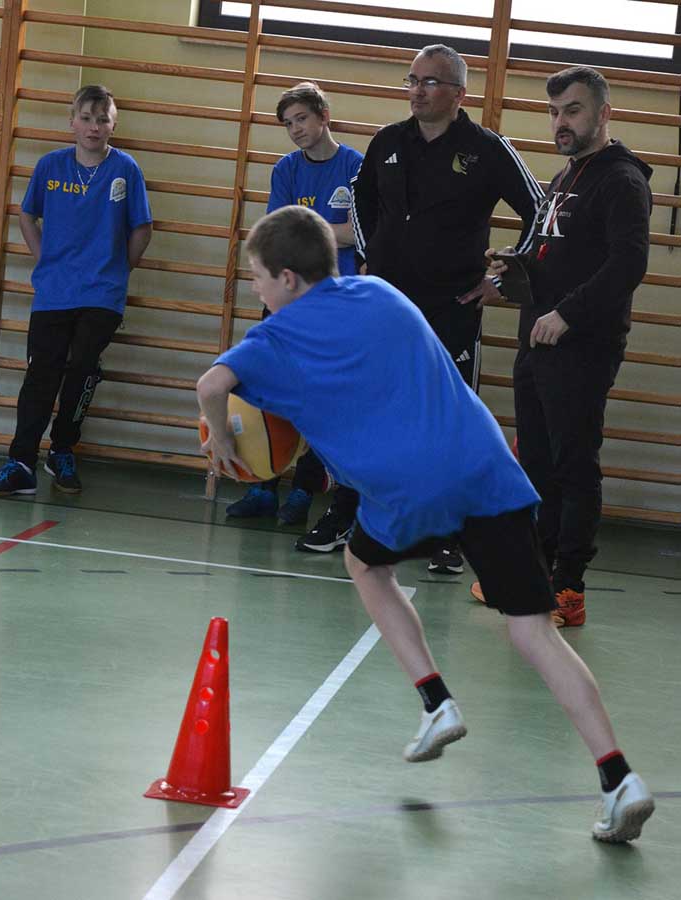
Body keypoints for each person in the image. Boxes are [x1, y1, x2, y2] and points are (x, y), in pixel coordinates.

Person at [197, 204, 654, 844]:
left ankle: (437, 702)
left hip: (409, 491)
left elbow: (211, 385)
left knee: (364, 564)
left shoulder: (276, 339)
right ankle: (619, 778)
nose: (255, 290)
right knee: (534, 632)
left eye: (257, 278)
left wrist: (222, 443)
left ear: (288, 279)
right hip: (484, 467)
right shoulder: (380, 292)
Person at [351, 44, 543, 575]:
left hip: (452, 306)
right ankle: (376, 520)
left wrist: (503, 278)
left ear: (459, 93)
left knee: (449, 419)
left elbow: (539, 210)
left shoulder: (487, 149)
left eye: (430, 82)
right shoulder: (388, 141)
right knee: (383, 411)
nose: (417, 90)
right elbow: (361, 199)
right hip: (389, 304)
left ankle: (450, 533)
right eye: (412, 80)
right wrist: (370, 258)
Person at [482, 67, 652, 627]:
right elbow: (555, 256)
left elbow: (628, 263)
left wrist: (568, 314)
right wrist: (511, 270)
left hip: (582, 344)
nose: (560, 122)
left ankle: (568, 587)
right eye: (554, 112)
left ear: (604, 113)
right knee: (535, 459)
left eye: (572, 111)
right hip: (538, 338)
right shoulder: (566, 177)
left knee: (573, 464)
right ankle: (536, 576)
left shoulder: (621, 180)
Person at [0, 85, 153, 497]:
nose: (94, 127)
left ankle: (61, 450)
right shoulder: (50, 165)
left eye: (102, 119)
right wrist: (45, 260)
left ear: (113, 125)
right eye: (87, 118)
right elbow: (27, 216)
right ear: (72, 121)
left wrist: (118, 270)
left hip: (102, 294)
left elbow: (142, 228)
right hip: (54, 292)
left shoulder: (125, 169)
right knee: (42, 373)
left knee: (82, 370)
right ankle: (21, 462)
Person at [226, 82, 362, 550]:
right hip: (287, 300)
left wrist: (313, 230)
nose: (296, 130)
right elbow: (279, 234)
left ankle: (305, 489)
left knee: (320, 399)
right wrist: (328, 231)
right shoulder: (286, 169)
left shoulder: (355, 167)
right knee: (271, 390)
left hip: (334, 302)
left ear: (324, 116)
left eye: (302, 119)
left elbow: (360, 233)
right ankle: (263, 485)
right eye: (288, 124)